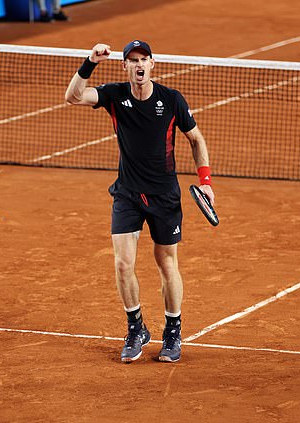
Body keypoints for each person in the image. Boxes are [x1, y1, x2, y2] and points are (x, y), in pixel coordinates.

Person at [64, 40, 215, 363]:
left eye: (144, 59)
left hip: (164, 196)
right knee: (122, 263)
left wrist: (206, 182)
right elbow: (73, 96)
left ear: (153, 63)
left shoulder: (171, 100)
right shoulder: (115, 96)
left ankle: (172, 332)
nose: (139, 65)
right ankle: (136, 328)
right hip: (127, 194)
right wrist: (90, 61)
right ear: (125, 66)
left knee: (166, 262)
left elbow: (196, 139)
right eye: (132, 60)